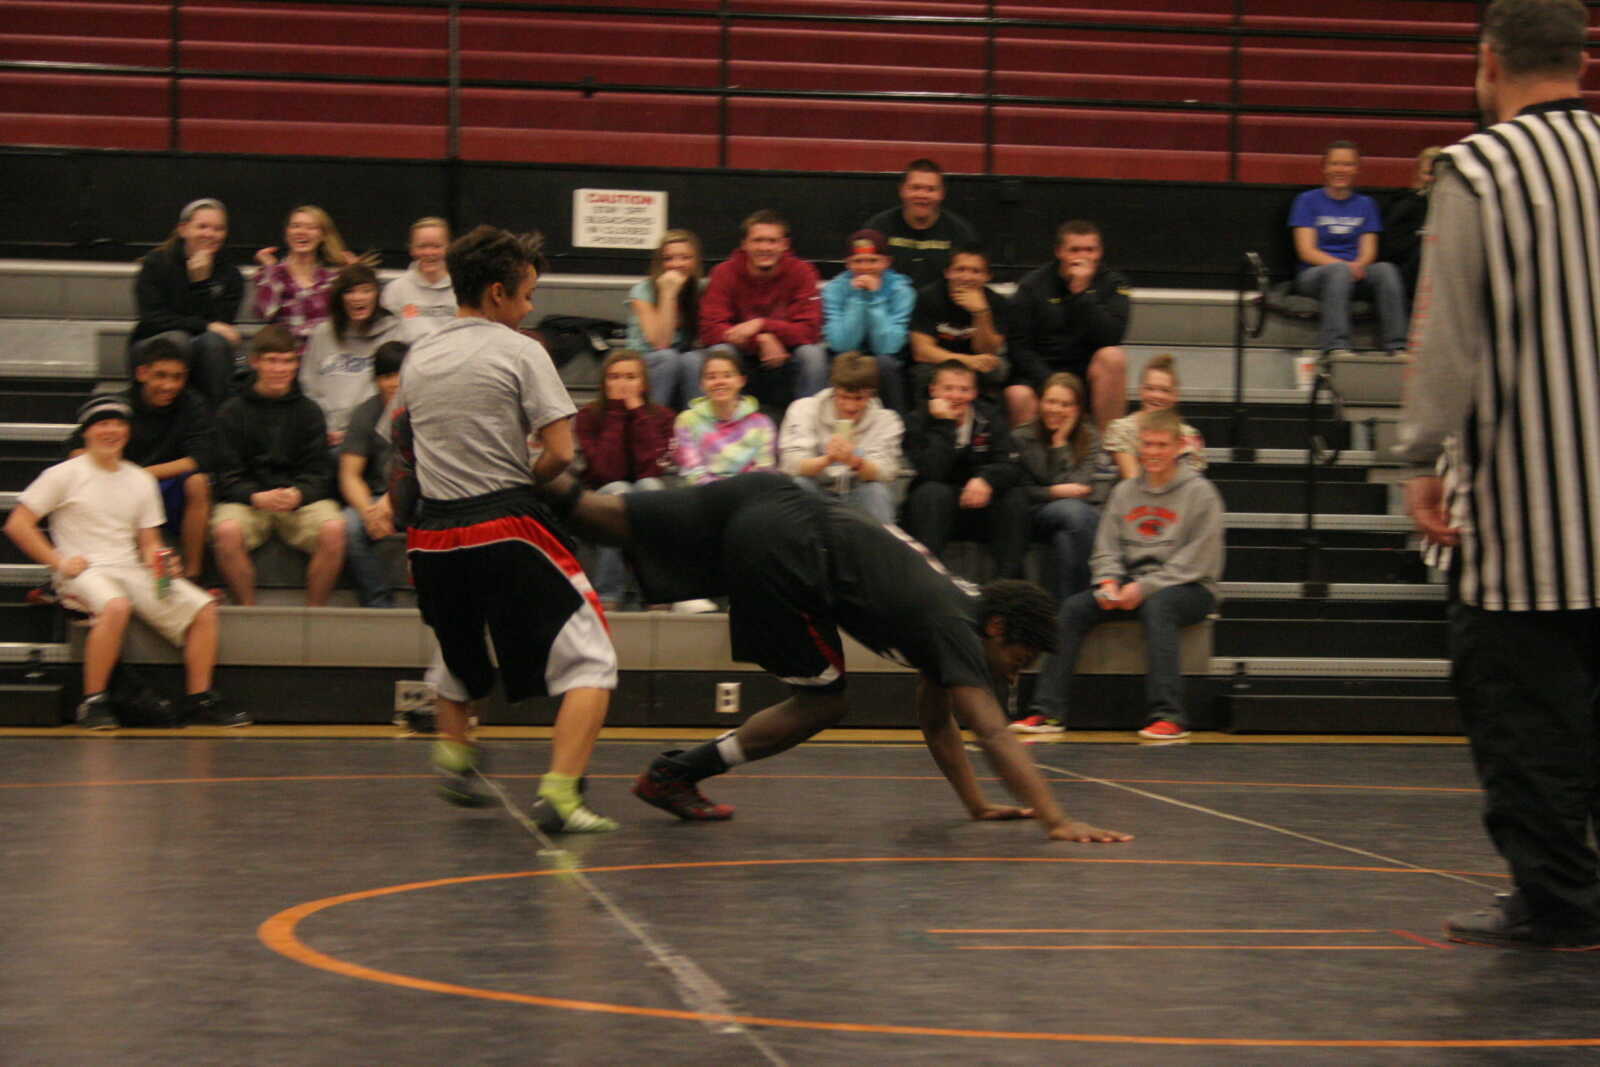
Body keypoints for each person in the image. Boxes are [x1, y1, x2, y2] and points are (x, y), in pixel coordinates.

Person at [537, 469, 1131, 843]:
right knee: (823, 702)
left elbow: (936, 723)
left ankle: (528, 469)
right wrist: (1056, 818)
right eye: (1018, 659)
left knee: (612, 515)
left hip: (772, 493)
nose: (1013, 674)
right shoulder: (958, 628)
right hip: (793, 547)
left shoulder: (956, 613)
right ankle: (676, 774)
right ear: (997, 628)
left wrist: (976, 805)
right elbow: (993, 733)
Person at [1400, 0, 1600, 951]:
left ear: (1487, 62)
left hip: (1525, 512)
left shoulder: (1477, 170)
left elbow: (1447, 338)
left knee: (1522, 714)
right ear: (1581, 61)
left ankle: (1559, 895)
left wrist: (1420, 457)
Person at [389, 224, 618, 833]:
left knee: (459, 644)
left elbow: (404, 449)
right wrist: (526, 475)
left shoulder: (419, 355)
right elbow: (560, 453)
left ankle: (455, 753)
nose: (529, 307)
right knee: (593, 660)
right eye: (527, 294)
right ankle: (561, 794)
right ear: (497, 293)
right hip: (504, 525)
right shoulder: (521, 351)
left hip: (433, 536)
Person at [5, 396, 238, 729]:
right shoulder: (62, 475)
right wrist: (58, 561)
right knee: (115, 606)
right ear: (87, 432)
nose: (111, 431)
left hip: (130, 567)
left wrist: (163, 563)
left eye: (118, 424)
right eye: (103, 424)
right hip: (83, 569)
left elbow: (149, 541)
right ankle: (94, 702)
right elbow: (17, 524)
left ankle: (199, 698)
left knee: (204, 609)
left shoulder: (139, 479)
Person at [1026, 408, 1224, 740]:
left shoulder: (1201, 493)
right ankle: (1047, 712)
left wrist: (1144, 588)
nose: (1153, 452)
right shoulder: (1125, 491)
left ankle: (1169, 716)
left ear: (1178, 447)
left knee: (1158, 606)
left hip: (1190, 587)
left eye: (1161, 445)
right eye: (1147, 444)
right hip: (1133, 583)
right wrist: (1108, 581)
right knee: (1074, 608)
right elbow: (1106, 547)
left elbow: (1198, 561)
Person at [210, 326, 346, 607]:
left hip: (298, 500)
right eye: (272, 361)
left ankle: (314, 616)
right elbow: (226, 474)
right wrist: (255, 496)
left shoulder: (310, 412)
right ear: (255, 362)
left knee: (334, 529)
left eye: (287, 361)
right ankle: (248, 611)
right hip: (249, 501)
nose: (280, 369)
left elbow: (320, 473)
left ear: (296, 364)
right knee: (226, 532)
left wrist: (299, 494)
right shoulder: (231, 411)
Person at [67, 336, 217, 580]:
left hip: (168, 487)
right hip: (122, 489)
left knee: (198, 482)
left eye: (177, 377)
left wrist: (140, 475)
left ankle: (194, 575)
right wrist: (118, 472)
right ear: (142, 373)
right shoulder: (118, 406)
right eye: (161, 376)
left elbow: (200, 458)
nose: (169, 385)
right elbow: (76, 451)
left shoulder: (193, 405)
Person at [902, 360, 1029, 578]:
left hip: (980, 506)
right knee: (932, 491)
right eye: (948, 388)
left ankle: (1008, 584)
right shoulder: (916, 420)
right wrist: (945, 424)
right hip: (934, 509)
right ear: (933, 390)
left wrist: (986, 479)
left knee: (1015, 497)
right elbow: (932, 471)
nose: (956, 396)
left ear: (974, 392)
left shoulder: (989, 417)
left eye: (964, 389)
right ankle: (930, 580)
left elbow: (1011, 464)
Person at [574, 349, 676, 611]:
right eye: (615, 377)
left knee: (650, 487)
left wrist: (638, 414)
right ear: (605, 383)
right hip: (600, 494)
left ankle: (658, 592)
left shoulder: (663, 417)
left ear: (643, 383)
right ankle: (609, 594)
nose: (622, 383)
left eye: (631, 377)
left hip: (644, 489)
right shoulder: (589, 417)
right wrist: (617, 415)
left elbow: (652, 468)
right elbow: (605, 472)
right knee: (618, 490)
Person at [1006, 220, 1131, 430]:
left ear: (1100, 252)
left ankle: (1110, 447)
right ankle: (1031, 451)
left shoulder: (1113, 283)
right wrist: (1052, 382)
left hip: (1088, 375)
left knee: (1113, 357)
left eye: (1089, 250)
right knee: (1017, 395)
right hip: (1043, 373)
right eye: (1074, 250)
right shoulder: (1032, 286)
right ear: (1059, 252)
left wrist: (1081, 292)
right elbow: (1018, 347)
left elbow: (1112, 336)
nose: (1082, 257)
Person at [1289, 141, 1409, 358]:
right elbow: (1306, 251)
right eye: (1335, 164)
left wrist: (1358, 266)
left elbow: (1369, 250)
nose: (1340, 170)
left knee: (1386, 270)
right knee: (1338, 271)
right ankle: (1336, 346)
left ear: (1356, 169)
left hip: (1355, 272)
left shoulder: (1366, 204)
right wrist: (1344, 267)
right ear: (1324, 167)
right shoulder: (1306, 201)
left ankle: (1397, 345)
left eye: (1347, 164)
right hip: (1314, 275)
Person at [698, 209, 826, 412]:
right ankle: (714, 423)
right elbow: (710, 330)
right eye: (757, 240)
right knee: (719, 352)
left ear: (784, 244)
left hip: (787, 354)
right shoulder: (724, 272)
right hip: (740, 355)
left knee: (813, 355)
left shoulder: (802, 272)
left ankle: (808, 423)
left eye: (772, 241)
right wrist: (760, 339)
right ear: (744, 244)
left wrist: (761, 324)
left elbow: (810, 331)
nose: (765, 248)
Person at [128, 198, 243, 409]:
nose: (210, 234)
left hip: (205, 352)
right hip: (152, 345)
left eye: (218, 229)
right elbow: (153, 319)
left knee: (213, 343)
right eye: (202, 226)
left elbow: (222, 327)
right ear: (183, 229)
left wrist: (201, 283)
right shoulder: (156, 263)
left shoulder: (230, 274)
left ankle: (216, 418)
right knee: (178, 340)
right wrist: (204, 325)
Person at [1005, 372, 1106, 604]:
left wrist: (1060, 443)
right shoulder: (1021, 436)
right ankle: (1086, 603)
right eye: (1051, 401)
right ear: (1040, 403)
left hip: (1075, 517)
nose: (1056, 409)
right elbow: (1020, 490)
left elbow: (1080, 485)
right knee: (1075, 512)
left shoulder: (1090, 437)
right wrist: (1054, 492)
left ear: (1078, 409)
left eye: (1065, 404)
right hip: (1034, 514)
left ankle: (1065, 612)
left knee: (1066, 540)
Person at [300, 263, 421, 447]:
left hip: (375, 433)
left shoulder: (395, 333)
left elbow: (396, 391)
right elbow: (309, 386)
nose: (358, 298)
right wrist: (326, 427)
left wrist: (356, 431)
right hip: (327, 433)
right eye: (350, 292)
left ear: (377, 295)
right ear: (340, 297)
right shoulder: (322, 334)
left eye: (366, 290)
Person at [778, 351, 903, 525]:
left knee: (876, 491)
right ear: (834, 389)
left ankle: (882, 541)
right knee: (799, 484)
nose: (850, 406)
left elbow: (886, 472)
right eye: (844, 397)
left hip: (858, 492)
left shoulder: (886, 420)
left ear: (871, 394)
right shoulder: (803, 409)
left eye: (859, 398)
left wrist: (855, 460)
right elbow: (791, 464)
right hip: (816, 489)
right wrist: (828, 459)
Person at [338, 340, 408, 609]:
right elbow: (350, 474)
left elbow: (427, 472)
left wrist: (391, 502)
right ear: (377, 380)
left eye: (400, 375)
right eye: (387, 376)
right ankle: (377, 602)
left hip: (421, 496)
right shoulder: (366, 413)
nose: (394, 383)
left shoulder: (429, 411)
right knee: (348, 524)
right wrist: (369, 511)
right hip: (377, 498)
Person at [821, 229, 916, 413]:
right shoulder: (834, 289)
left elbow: (887, 347)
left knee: (885, 362)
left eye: (873, 260)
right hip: (846, 353)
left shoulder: (902, 291)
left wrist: (875, 299)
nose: (865, 267)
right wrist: (857, 298)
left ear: (887, 262)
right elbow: (843, 345)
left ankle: (898, 423)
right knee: (837, 363)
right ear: (848, 263)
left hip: (885, 356)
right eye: (858, 261)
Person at [908, 243, 1010, 404]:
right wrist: (966, 361)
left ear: (987, 276)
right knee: (922, 373)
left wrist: (981, 313)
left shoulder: (996, 302)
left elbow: (988, 351)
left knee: (998, 370)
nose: (967, 277)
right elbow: (921, 352)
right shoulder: (928, 297)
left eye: (976, 271)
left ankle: (985, 415)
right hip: (938, 362)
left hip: (978, 360)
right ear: (947, 272)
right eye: (960, 269)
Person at [865, 158, 981, 293]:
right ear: (902, 190)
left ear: (942, 194)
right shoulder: (877, 228)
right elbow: (862, 271)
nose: (922, 195)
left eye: (931, 189)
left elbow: (972, 280)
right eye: (915, 188)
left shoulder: (961, 232)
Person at [253, 204, 359, 352]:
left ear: (322, 235)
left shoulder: (332, 279)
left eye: (311, 227)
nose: (301, 232)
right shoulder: (272, 274)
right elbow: (266, 313)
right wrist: (271, 269)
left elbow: (352, 321)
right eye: (296, 226)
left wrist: (355, 275)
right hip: (285, 355)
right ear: (287, 233)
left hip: (324, 354)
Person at [626, 228, 708, 408]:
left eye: (685, 257)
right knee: (667, 357)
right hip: (646, 361)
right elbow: (661, 343)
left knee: (693, 359)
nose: (677, 264)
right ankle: (652, 421)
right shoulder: (643, 290)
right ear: (659, 263)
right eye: (668, 258)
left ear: (695, 261)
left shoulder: (702, 288)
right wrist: (668, 293)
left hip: (684, 360)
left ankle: (697, 421)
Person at [673, 350, 778, 486]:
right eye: (711, 377)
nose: (719, 382)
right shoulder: (686, 421)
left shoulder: (762, 423)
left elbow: (765, 469)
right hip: (705, 492)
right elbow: (694, 472)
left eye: (727, 376)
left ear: (741, 381)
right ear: (701, 384)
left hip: (751, 491)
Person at [1102, 354, 1208, 481]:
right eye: (1150, 388)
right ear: (1141, 391)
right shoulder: (1121, 429)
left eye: (1165, 390)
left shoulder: (1189, 435)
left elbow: (1188, 483)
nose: (1157, 395)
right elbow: (1132, 479)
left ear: (1175, 395)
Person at [1382, 146, 1443, 301]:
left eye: (1437, 174)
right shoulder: (1405, 205)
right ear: (1418, 174)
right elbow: (1391, 249)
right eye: (1428, 173)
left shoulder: (1457, 207)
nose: (1432, 179)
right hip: (1409, 271)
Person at [380, 216, 456, 333]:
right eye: (422, 246)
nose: (429, 252)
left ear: (450, 247)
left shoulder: (465, 287)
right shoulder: (395, 291)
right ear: (412, 249)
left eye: (436, 246)